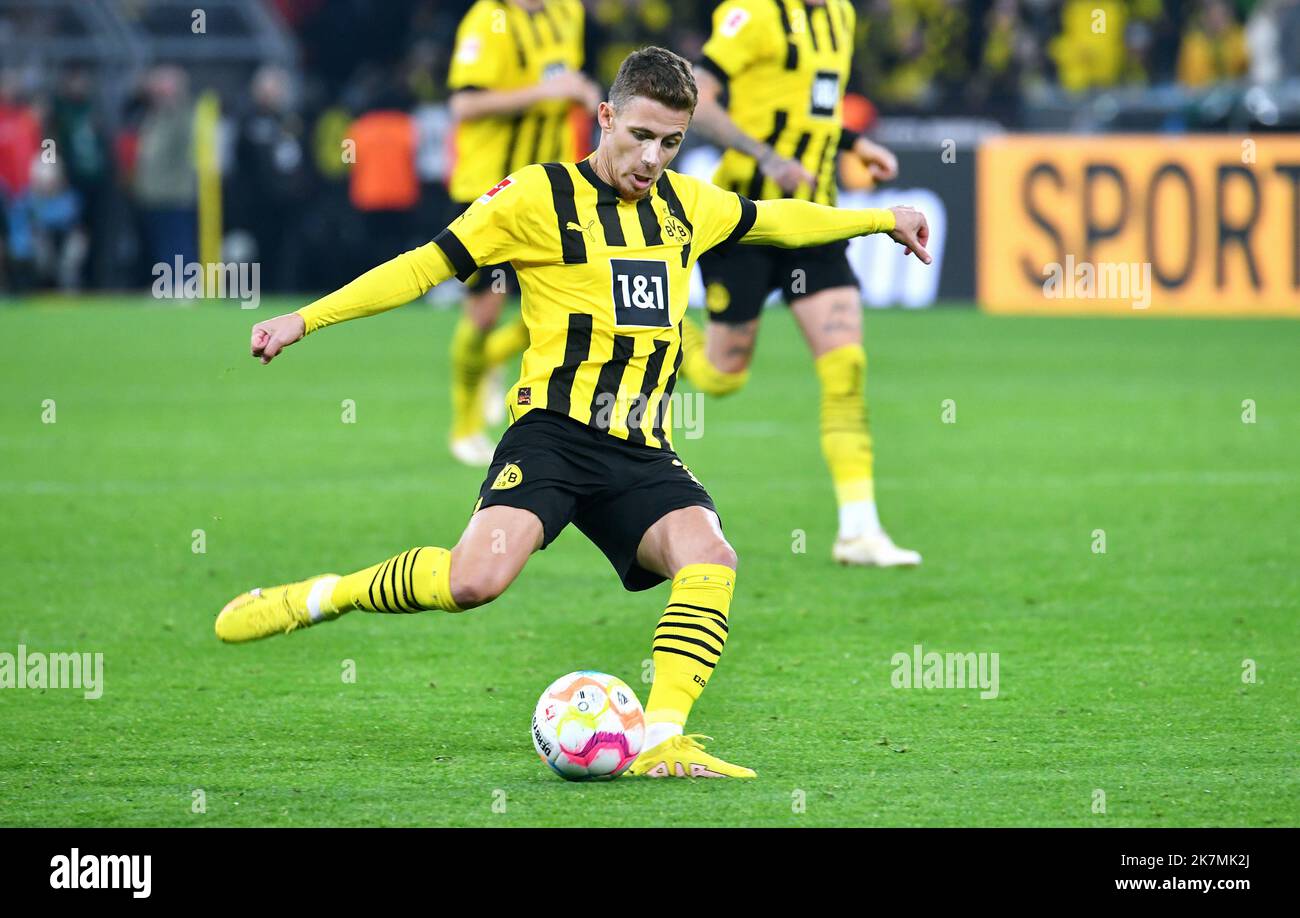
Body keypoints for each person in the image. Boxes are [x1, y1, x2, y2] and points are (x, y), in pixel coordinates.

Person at [215, 47, 930, 779]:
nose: (653, 157)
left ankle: (660, 737)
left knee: (710, 555)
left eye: (672, 142)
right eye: (641, 136)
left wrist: (881, 218)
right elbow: (424, 265)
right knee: (473, 583)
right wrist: (307, 318)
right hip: (554, 435)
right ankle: (321, 597)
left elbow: (776, 219)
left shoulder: (689, 205)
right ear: (607, 117)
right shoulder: (533, 198)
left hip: (641, 450)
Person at [683, 0, 922, 567]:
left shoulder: (840, 14)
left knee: (847, 368)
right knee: (721, 378)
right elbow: (697, 95)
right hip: (746, 217)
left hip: (816, 218)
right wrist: (769, 158)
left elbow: (806, 107)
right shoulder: (753, 14)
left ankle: (859, 530)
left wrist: (852, 143)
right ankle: (672, 332)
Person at [444, 0, 600, 465]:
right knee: (485, 310)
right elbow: (463, 104)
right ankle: (465, 425)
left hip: (549, 189)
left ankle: (493, 359)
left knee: (569, 297)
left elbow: (567, 81)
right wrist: (545, 91)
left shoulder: (567, 12)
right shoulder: (488, 20)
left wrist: (584, 93)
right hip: (489, 191)